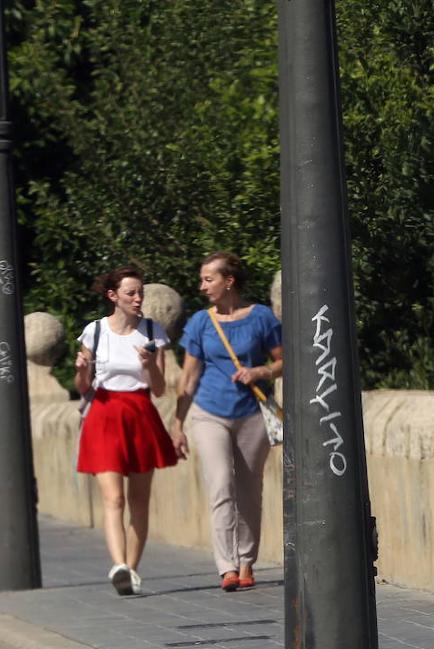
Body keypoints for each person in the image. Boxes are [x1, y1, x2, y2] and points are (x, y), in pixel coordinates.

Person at [170, 252, 283, 592]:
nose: (202, 286)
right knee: (221, 484)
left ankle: (247, 561)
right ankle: (226, 566)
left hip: (252, 412)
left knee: (250, 488)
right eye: (203, 279)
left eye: (209, 279)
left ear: (228, 281)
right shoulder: (201, 323)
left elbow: (284, 362)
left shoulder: (261, 317)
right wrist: (178, 424)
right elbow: (188, 378)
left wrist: (260, 371)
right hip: (209, 412)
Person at [75, 266, 179, 595]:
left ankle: (130, 571)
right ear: (113, 296)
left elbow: (160, 389)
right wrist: (81, 370)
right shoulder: (94, 332)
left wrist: (149, 365)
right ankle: (119, 564)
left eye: (140, 293)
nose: (138, 299)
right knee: (114, 498)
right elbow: (82, 387)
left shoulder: (151, 331)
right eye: (131, 293)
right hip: (105, 414)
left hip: (140, 413)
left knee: (139, 501)